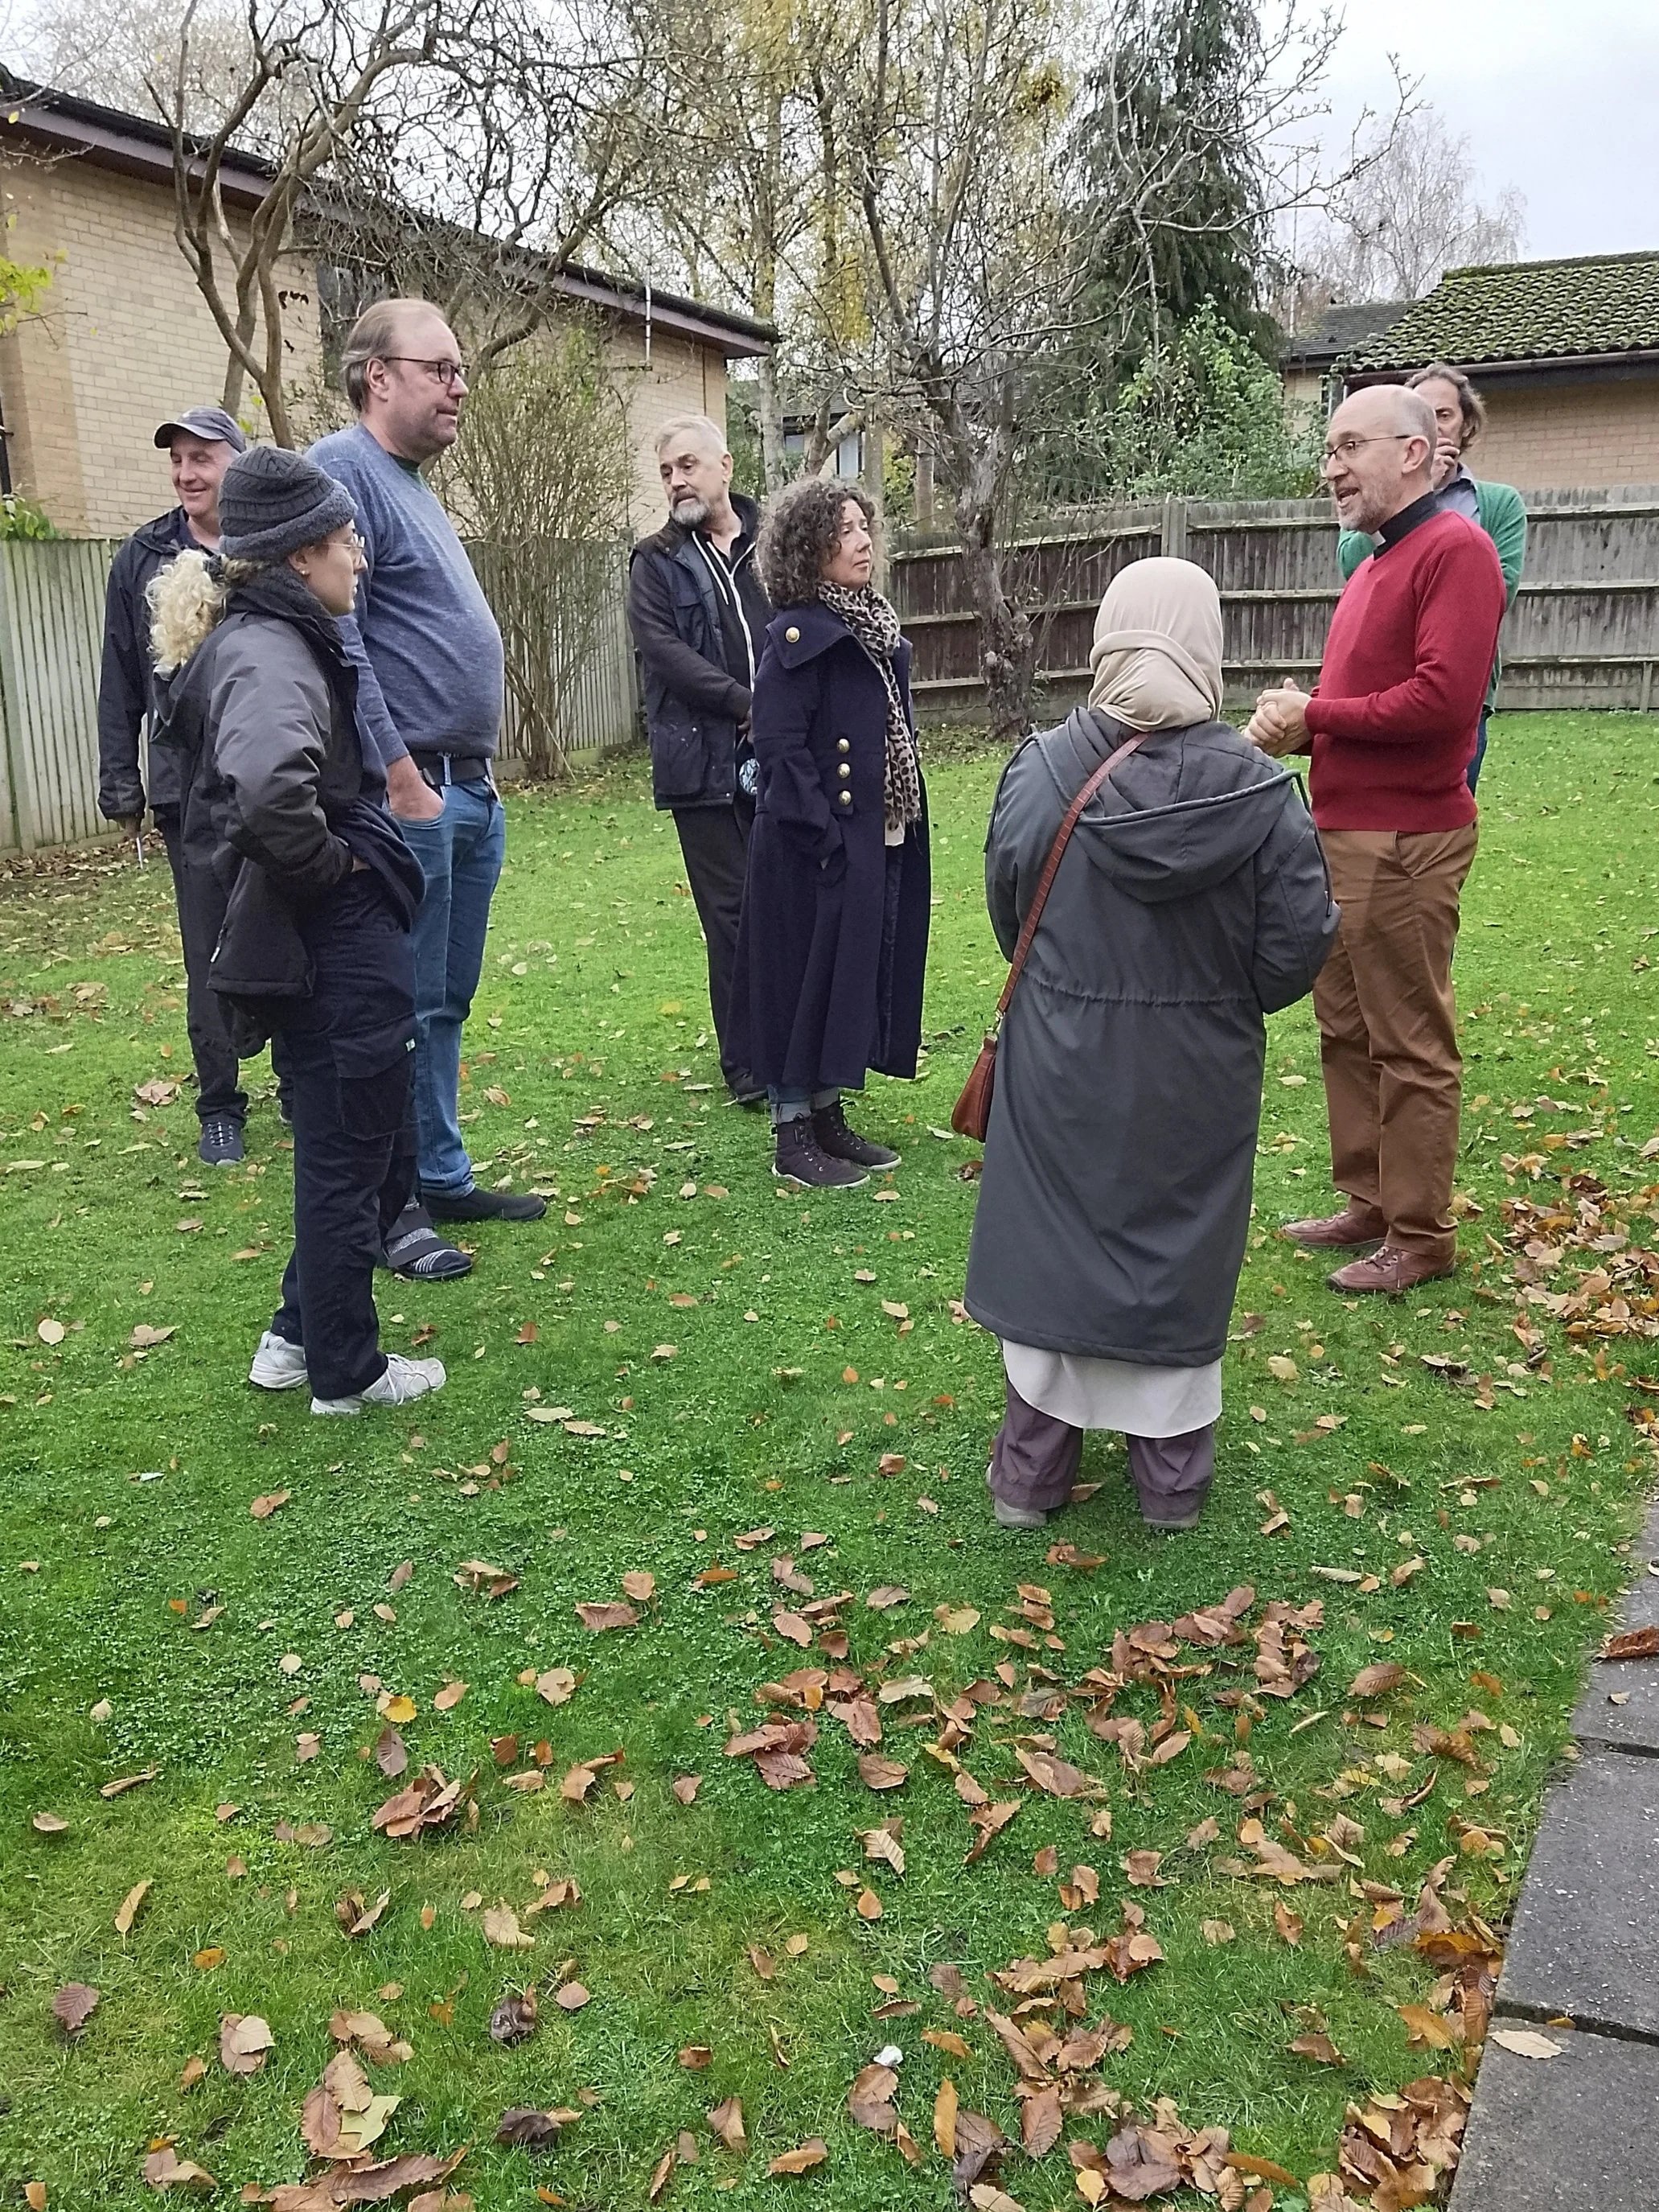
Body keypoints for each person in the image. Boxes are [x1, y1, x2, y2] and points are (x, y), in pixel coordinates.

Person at [964, 559, 1337, 1533]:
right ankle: (1169, 1484)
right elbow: (1294, 949)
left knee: (1055, 1246)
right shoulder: (1262, 795)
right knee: (1174, 1251)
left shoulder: (1040, 770)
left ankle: (1030, 1475)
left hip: (1059, 1058)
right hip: (1197, 1070)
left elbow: (1014, 913)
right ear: (1205, 644)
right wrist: (1213, 1002)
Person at [146, 446, 442, 1413]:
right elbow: (273, 790)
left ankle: (291, 1336)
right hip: (325, 932)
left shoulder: (273, 636)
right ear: (305, 552)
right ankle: (345, 1372)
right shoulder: (271, 650)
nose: (359, 558)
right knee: (350, 1149)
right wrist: (336, 871)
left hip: (319, 931)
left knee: (348, 1138)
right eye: (349, 541)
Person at [1248, 384, 1506, 1296]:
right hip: (1339, 830)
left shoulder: (1455, 552)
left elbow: (1442, 702)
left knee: (1408, 1038)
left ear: (1413, 452)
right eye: (1327, 449)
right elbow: (1368, 702)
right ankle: (1366, 1198)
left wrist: (1314, 712)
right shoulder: (1372, 562)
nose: (1330, 466)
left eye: (1348, 446)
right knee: (1344, 1028)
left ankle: (1420, 1231)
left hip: (1404, 838)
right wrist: (1306, 726)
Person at [310, 297, 545, 1282]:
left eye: (461, 371)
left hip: (465, 787)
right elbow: (344, 640)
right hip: (411, 793)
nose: (459, 387)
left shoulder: (411, 483)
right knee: (390, 1004)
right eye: (441, 368)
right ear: (378, 375)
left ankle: (441, 1171)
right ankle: (391, 1202)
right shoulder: (343, 471)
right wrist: (401, 775)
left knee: (443, 998)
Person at [729, 477, 931, 1189]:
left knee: (848, 975)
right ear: (808, 548)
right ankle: (792, 1133)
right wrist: (826, 839)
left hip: (871, 836)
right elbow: (780, 752)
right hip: (808, 849)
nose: (862, 540)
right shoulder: (797, 638)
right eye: (844, 530)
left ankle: (825, 1110)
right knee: (802, 978)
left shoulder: (874, 630)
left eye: (862, 526)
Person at [98, 405, 254, 1166]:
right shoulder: (143, 556)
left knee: (292, 926)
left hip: (270, 771)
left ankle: (297, 1078)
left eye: (203, 458)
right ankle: (221, 1105)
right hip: (184, 785)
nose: (188, 474)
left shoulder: (268, 542)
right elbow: (120, 681)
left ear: (236, 461)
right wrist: (120, 786)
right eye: (178, 460)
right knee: (208, 951)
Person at [626, 415, 770, 1104]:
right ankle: (745, 1066)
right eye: (665, 471)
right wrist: (747, 703)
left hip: (782, 759)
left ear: (725, 467)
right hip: (701, 767)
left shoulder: (774, 545)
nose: (677, 480)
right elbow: (664, 655)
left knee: (787, 904)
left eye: (687, 464)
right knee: (733, 913)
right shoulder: (654, 561)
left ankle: (795, 1049)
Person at [1337, 363, 1526, 792]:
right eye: (1423, 413)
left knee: (1441, 810)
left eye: (1445, 415)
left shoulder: (1498, 504)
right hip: (1376, 684)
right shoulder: (1372, 495)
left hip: (1457, 689)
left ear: (1465, 426)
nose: (1435, 426)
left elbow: (1501, 589)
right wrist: (1421, 491)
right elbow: (1352, 565)